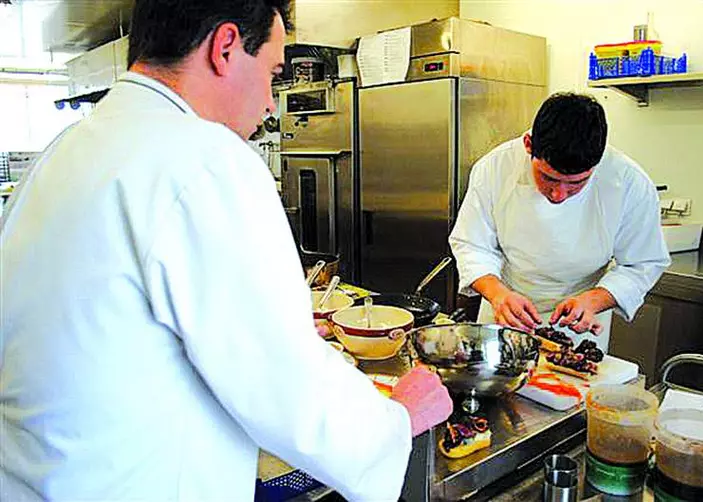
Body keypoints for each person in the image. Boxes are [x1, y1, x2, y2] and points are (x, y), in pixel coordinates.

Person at [0, 1, 452, 500]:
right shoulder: (205, 159)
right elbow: (287, 385)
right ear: (226, 47)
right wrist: (395, 422)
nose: (271, 105)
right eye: (272, 73)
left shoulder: (62, 153)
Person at [449, 92, 671, 351]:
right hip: (505, 313)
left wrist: (594, 300)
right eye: (549, 178)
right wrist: (498, 295)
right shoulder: (495, 168)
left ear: (597, 163)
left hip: (579, 324)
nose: (559, 194)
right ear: (529, 144)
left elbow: (642, 263)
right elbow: (471, 244)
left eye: (577, 183)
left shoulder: (629, 182)